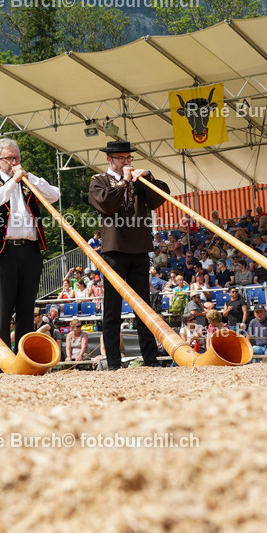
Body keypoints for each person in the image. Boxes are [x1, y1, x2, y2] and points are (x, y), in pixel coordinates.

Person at [0, 139, 61, 369]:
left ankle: (26, 360)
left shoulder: (28, 182)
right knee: (1, 311)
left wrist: (28, 178)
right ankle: (1, 362)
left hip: (30, 250)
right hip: (2, 252)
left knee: (27, 308)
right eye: (9, 159)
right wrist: (13, 182)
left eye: (17, 158)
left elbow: (54, 195)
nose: (14, 162)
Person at [88, 140, 169, 370]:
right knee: (112, 308)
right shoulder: (98, 181)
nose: (127, 162)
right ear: (110, 160)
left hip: (140, 248)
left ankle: (150, 360)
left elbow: (160, 197)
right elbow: (107, 205)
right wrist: (124, 181)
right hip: (114, 250)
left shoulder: (139, 180)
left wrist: (149, 177)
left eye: (129, 158)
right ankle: (113, 363)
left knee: (143, 307)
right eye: (122, 158)